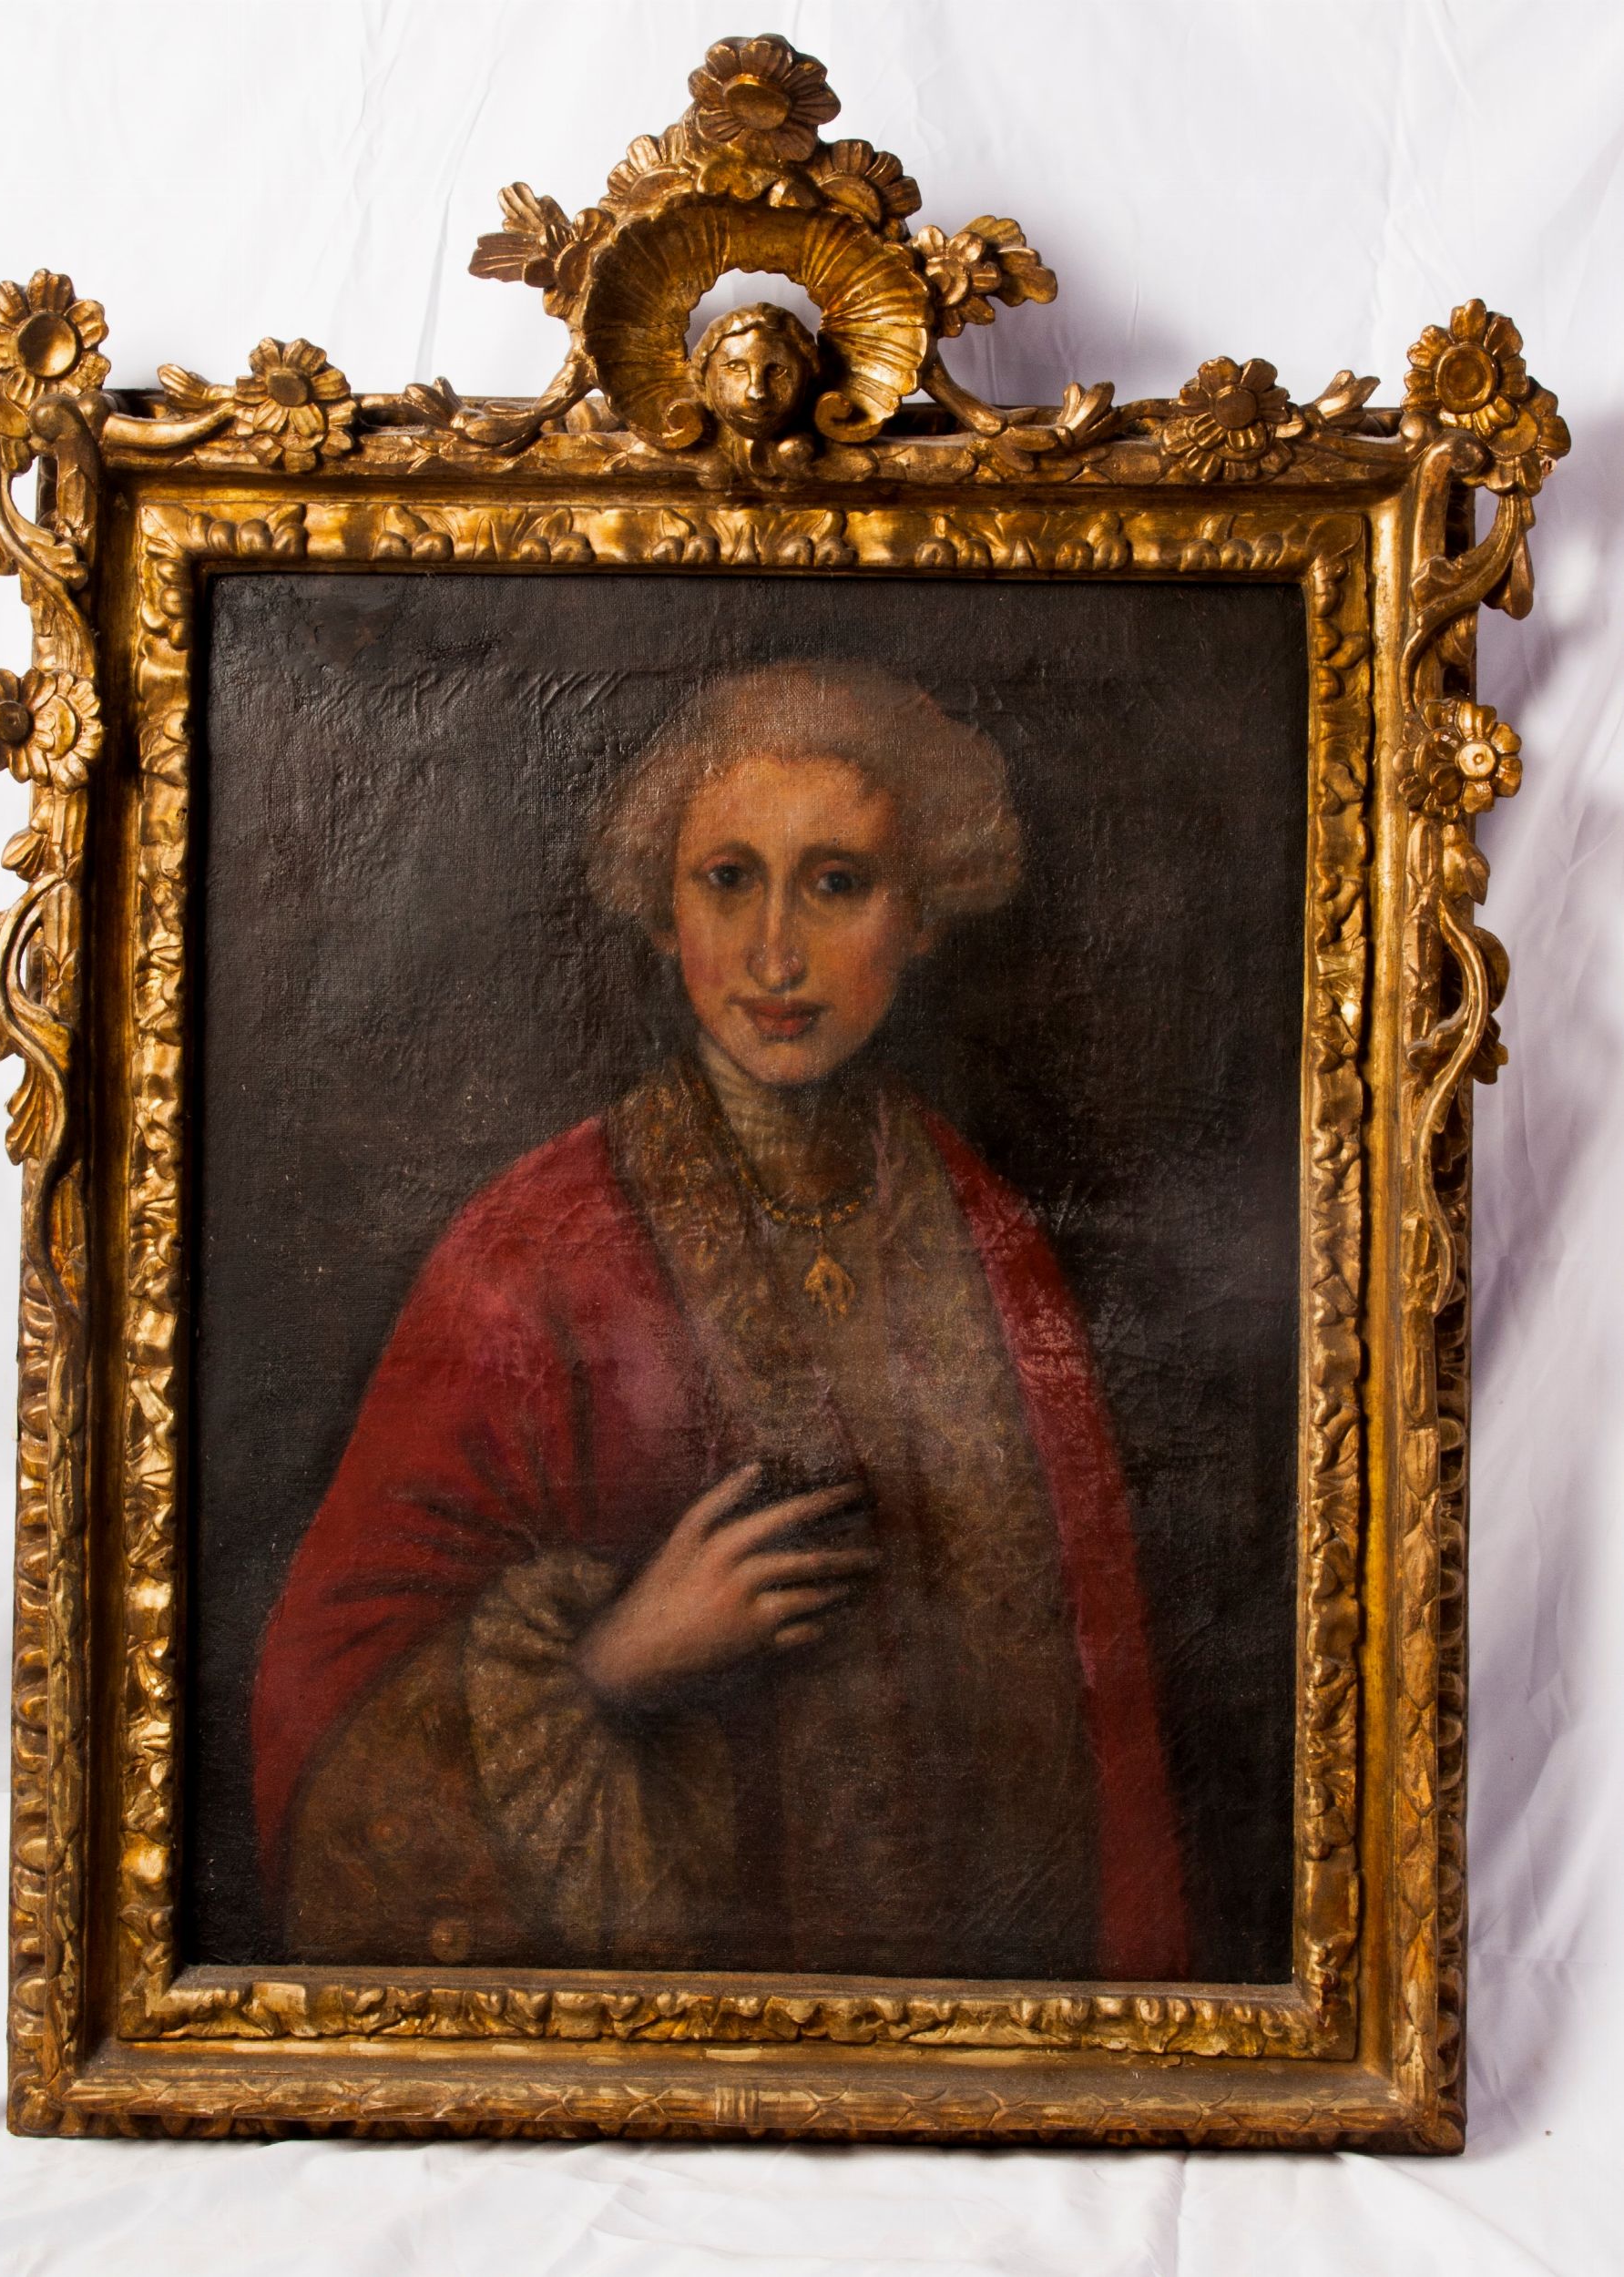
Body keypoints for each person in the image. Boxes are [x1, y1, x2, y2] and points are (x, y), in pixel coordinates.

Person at [251, 662, 1188, 1980]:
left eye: (838, 883)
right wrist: (612, 1660)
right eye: (729, 880)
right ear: (662, 908)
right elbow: (328, 1727)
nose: (775, 956)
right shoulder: (532, 1249)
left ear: (924, 913)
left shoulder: (990, 1235)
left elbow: (1106, 1711)